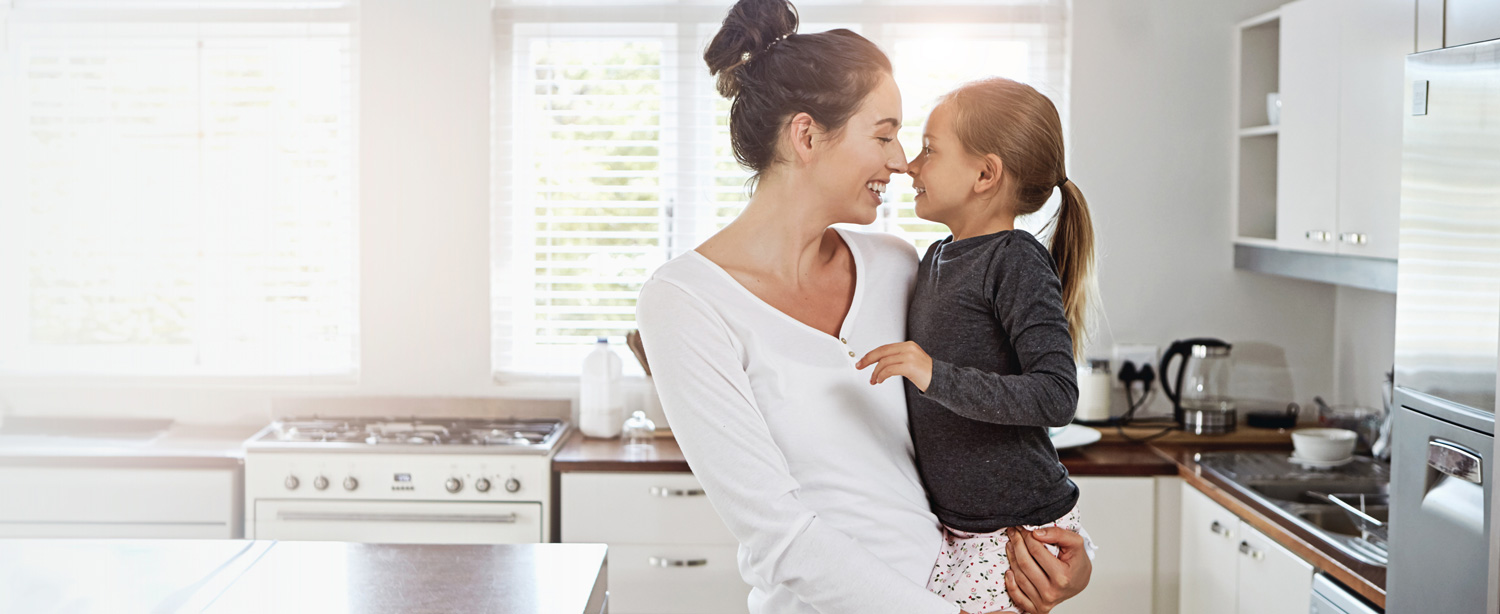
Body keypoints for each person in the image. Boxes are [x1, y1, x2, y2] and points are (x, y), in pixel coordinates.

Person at [634, 2, 1092, 612]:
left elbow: (984, 428)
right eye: (884, 134)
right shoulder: (685, 302)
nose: (902, 161)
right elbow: (778, 537)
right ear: (806, 136)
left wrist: (1063, 557)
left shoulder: (901, 264)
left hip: (960, 587)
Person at [855, 78, 1098, 613]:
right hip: (963, 527)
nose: (911, 166)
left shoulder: (1014, 261)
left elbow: (1057, 395)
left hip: (1017, 529)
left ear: (985, 174)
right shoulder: (936, 256)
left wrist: (933, 374)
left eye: (929, 150)